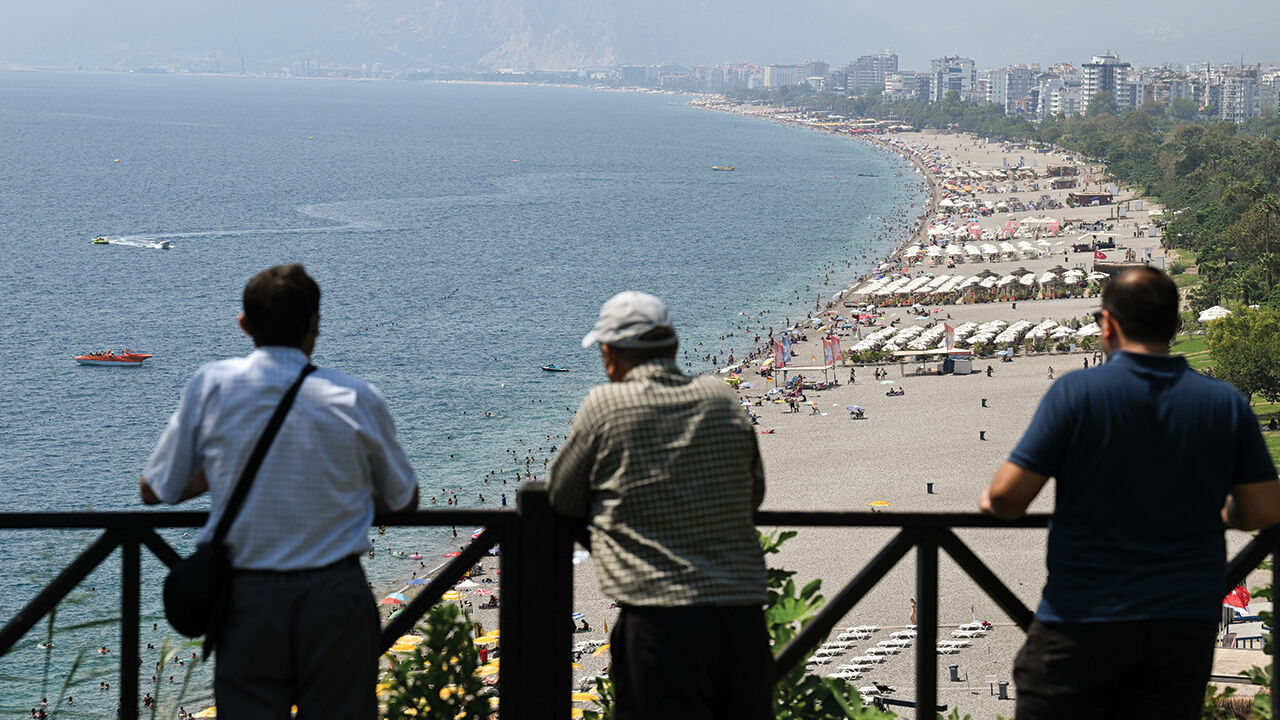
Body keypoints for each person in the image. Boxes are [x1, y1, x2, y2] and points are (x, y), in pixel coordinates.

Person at [980, 266, 1280, 719]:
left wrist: (988, 502)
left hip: (1082, 619)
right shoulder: (1224, 403)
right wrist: (1219, 511)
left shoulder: (1076, 394)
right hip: (1181, 628)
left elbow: (1006, 499)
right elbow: (1261, 509)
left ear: (1108, 324)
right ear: (1177, 327)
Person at [140, 263, 418, 719]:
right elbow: (405, 498)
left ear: (244, 325)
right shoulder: (355, 397)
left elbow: (155, 489)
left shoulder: (212, 386)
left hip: (247, 599)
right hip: (334, 594)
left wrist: (221, 470)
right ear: (317, 324)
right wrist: (339, 488)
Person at [548, 291, 770, 720]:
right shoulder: (721, 397)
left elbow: (561, 495)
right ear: (673, 346)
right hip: (740, 612)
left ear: (609, 354)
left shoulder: (605, 405)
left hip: (659, 617)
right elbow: (753, 491)